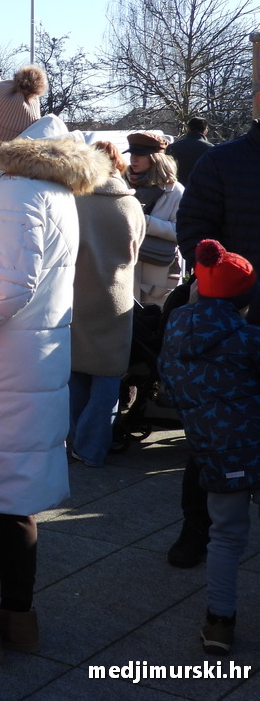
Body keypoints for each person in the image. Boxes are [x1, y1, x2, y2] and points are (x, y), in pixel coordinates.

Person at [0, 65, 104, 664]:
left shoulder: (16, 191)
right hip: (25, 368)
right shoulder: (45, 186)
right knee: (13, 504)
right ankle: (18, 619)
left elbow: (4, 289)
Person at [158, 240, 260, 655]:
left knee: (225, 536)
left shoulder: (176, 332)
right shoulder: (247, 340)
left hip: (215, 451)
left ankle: (219, 622)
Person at [168, 117, 260, 569]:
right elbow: (196, 229)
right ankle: (196, 527)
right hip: (233, 314)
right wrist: (222, 286)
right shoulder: (222, 160)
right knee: (214, 433)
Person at [67, 142, 145, 468]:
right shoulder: (131, 205)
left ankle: (71, 441)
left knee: (76, 376)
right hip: (117, 301)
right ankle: (91, 448)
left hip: (77, 297)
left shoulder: (74, 201)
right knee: (108, 380)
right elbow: (136, 249)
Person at [126, 131, 184, 305]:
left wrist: (145, 222)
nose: (133, 159)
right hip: (127, 269)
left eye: (140, 155)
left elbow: (182, 230)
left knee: (155, 323)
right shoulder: (123, 186)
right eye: (131, 154)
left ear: (155, 159)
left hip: (159, 271)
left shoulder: (176, 191)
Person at [167, 116, 213, 186]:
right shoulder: (211, 149)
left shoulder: (172, 148)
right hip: (202, 189)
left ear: (188, 129)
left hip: (177, 189)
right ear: (205, 131)